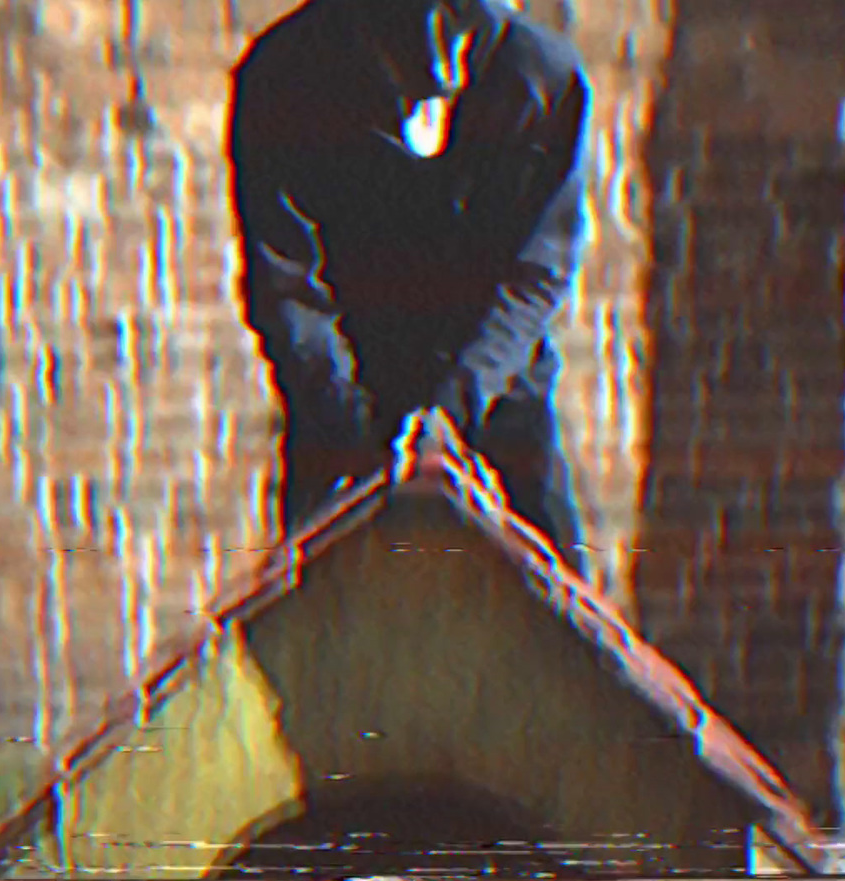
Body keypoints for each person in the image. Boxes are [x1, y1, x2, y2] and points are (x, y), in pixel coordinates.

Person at [228, 0, 591, 564]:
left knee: (560, 623)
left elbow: (534, 271)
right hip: (345, 408)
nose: (440, 68)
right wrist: (349, 422)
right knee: (330, 620)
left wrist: (453, 411)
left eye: (456, 29)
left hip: (494, 396)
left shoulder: (541, 79)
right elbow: (286, 283)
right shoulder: (287, 77)